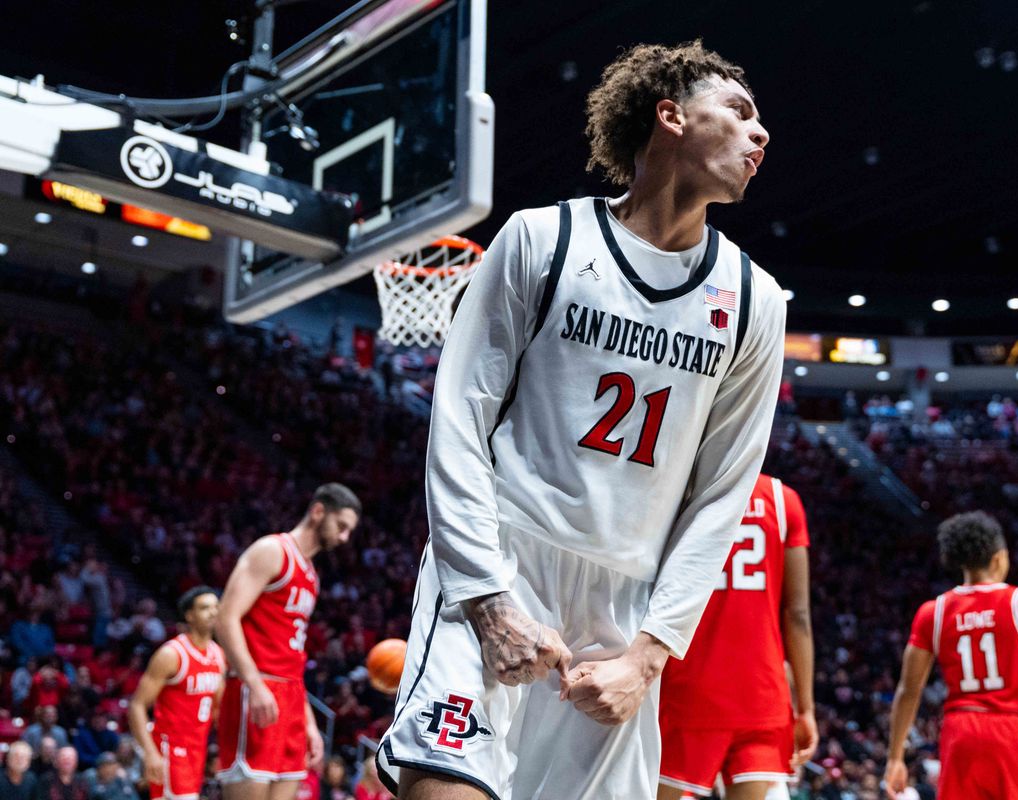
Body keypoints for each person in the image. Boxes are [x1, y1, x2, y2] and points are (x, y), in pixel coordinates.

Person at [376, 39, 784, 800]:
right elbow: (458, 423)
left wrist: (650, 657)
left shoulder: (756, 300)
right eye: (737, 111)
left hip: (624, 609)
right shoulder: (541, 239)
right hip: (502, 562)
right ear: (670, 115)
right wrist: (486, 600)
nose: (760, 134)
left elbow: (723, 496)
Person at [883, 511, 1018, 799]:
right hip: (1014, 728)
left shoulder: (933, 613)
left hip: (960, 734)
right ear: (1000, 557)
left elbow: (908, 690)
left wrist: (895, 756)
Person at [658, 474, 817, 800]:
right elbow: (798, 615)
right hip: (761, 692)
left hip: (686, 687)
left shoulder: (678, 489)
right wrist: (807, 708)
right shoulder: (784, 500)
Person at [215, 485, 361, 800]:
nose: (345, 537)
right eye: (342, 526)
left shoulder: (311, 575)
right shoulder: (272, 551)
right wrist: (254, 685)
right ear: (318, 511)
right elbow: (225, 619)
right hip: (257, 689)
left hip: (291, 696)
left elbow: (291, 655)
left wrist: (309, 723)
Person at [128, 587, 225, 800]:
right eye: (205, 608)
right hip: (170, 748)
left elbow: (218, 709)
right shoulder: (171, 654)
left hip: (198, 748)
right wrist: (150, 753)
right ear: (189, 615)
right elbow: (136, 705)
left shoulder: (218, 655)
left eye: (216, 607)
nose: (213, 612)